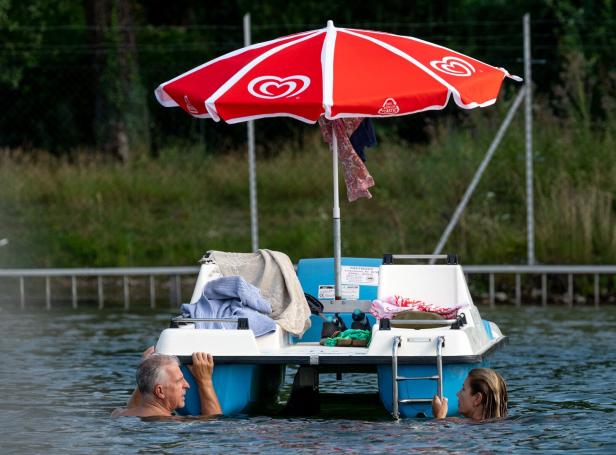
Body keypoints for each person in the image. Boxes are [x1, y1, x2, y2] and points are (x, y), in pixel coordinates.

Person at [112, 347, 222, 418]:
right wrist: (205, 381)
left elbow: (133, 408)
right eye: (179, 381)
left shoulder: (117, 414)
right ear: (160, 391)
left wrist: (147, 367)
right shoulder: (175, 424)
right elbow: (214, 425)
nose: (187, 385)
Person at [432, 368, 508, 421]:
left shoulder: (463, 426)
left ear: (477, 399)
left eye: (463, 389)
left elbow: (435, 440)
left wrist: (440, 415)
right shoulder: (498, 425)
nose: (457, 394)